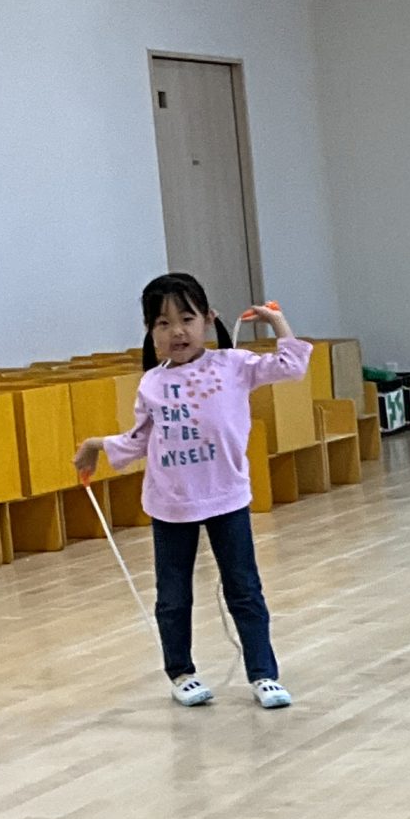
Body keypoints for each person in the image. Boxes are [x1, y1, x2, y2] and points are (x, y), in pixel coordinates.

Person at [76, 273, 310, 710]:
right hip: (171, 503)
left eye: (187, 319)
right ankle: (181, 673)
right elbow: (139, 440)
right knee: (173, 596)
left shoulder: (234, 364)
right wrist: (96, 445)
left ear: (208, 318)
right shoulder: (151, 383)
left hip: (227, 497)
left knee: (244, 589)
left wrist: (277, 322)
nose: (177, 332)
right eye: (163, 323)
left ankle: (263, 674)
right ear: (151, 332)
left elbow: (291, 365)